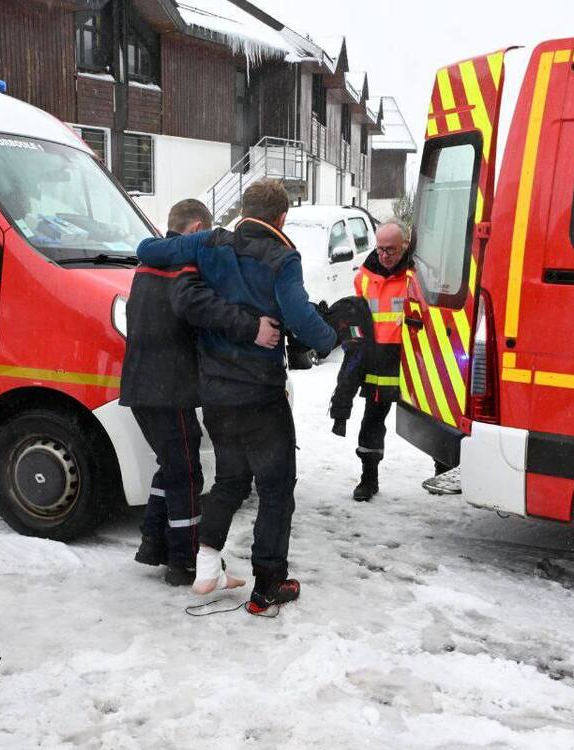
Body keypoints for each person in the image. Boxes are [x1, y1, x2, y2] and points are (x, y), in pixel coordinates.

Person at [138, 179, 337, 616]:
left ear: (245, 209)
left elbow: (148, 250)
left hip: (216, 394)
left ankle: (206, 559)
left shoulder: (209, 243)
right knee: (276, 488)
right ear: (281, 218)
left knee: (230, 480)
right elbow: (302, 320)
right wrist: (333, 335)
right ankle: (268, 585)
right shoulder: (283, 258)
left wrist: (191, 246)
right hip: (261, 396)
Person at [121, 198, 279, 586]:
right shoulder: (181, 264)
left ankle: (153, 545)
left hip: (144, 384)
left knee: (171, 464)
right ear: (194, 231)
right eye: (203, 237)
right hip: (167, 387)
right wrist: (250, 327)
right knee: (187, 473)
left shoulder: (149, 262)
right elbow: (200, 306)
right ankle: (186, 562)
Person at [329, 221, 414, 502]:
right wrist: (353, 340)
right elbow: (357, 315)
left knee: (432, 417)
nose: (385, 255)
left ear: (405, 246)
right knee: (373, 419)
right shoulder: (364, 276)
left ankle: (444, 467)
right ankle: (369, 478)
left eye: (391, 249)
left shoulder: (417, 276)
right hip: (378, 360)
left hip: (412, 359)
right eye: (380, 249)